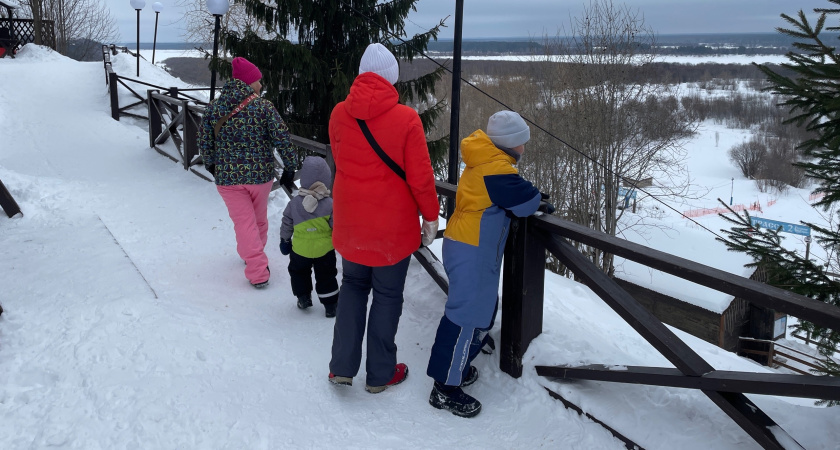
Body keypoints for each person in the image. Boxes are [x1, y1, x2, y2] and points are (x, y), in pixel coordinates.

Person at [327, 43, 440, 394]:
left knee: (352, 287)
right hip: (392, 231)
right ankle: (380, 374)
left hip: (351, 223)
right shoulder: (406, 119)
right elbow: (421, 178)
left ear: (362, 75)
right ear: (392, 78)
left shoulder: (339, 113)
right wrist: (430, 217)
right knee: (388, 296)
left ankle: (341, 367)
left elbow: (341, 160)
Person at [426, 110, 554, 417]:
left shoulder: (484, 161)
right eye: (522, 142)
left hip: (466, 245)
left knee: (480, 312)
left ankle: (456, 367)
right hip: (472, 250)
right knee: (465, 317)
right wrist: (538, 199)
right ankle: (444, 388)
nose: (524, 147)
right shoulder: (497, 170)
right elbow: (525, 202)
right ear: (510, 144)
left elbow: (509, 195)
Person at [198, 56, 299, 288]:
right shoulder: (264, 107)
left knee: (244, 223)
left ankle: (252, 254)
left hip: (228, 179)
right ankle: (258, 270)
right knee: (258, 220)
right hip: (260, 177)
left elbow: (204, 141)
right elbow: (282, 138)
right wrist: (290, 166)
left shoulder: (214, 107)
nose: (261, 85)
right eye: (258, 80)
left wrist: (212, 165)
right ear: (248, 82)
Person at [279, 156, 339, 318]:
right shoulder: (330, 204)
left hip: (300, 249)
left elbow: (287, 222)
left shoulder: (294, 203)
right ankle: (330, 305)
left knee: (299, 272)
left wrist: (285, 240)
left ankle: (303, 297)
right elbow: (336, 225)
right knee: (327, 275)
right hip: (325, 249)